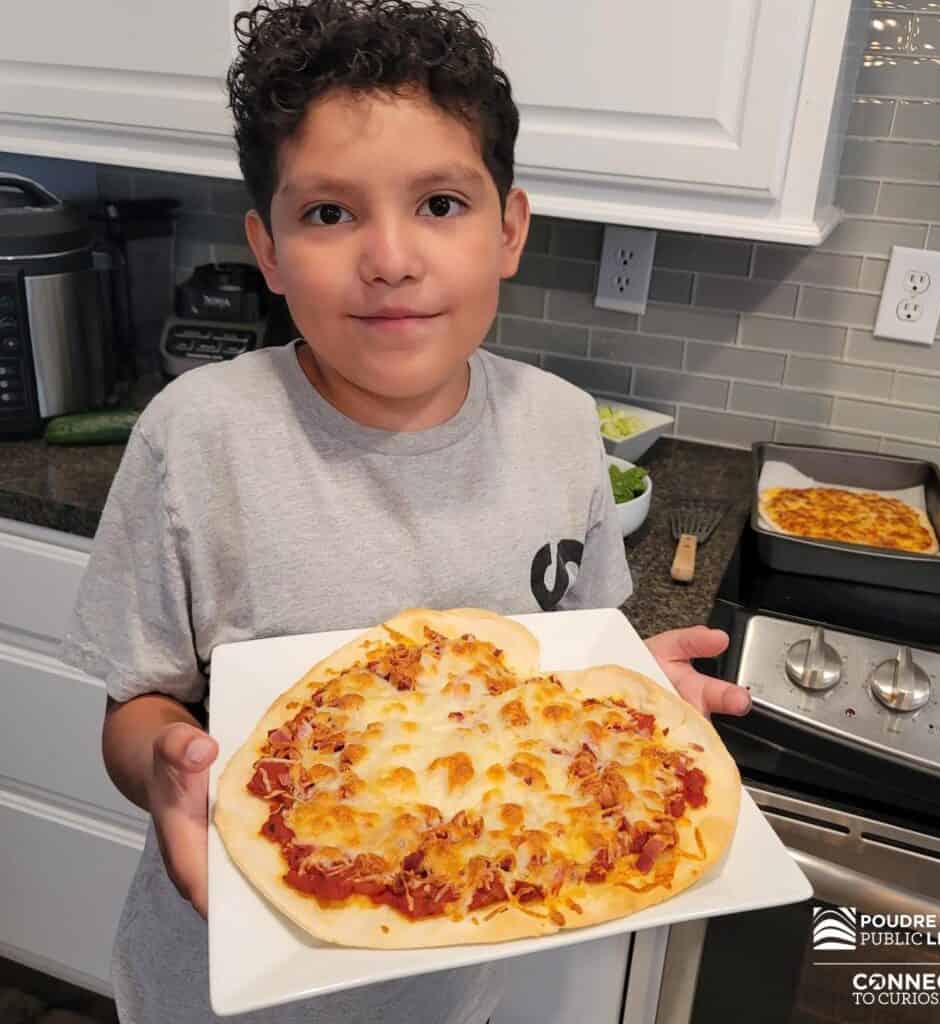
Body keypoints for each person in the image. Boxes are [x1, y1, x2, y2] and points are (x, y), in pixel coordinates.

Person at [60, 2, 751, 1022]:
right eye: (329, 214)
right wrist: (163, 765)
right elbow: (137, 708)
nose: (389, 256)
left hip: (453, 969)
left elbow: (573, 667)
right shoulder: (197, 437)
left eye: (438, 203)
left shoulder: (563, 431)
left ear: (509, 228)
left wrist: (635, 700)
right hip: (215, 976)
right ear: (268, 248)